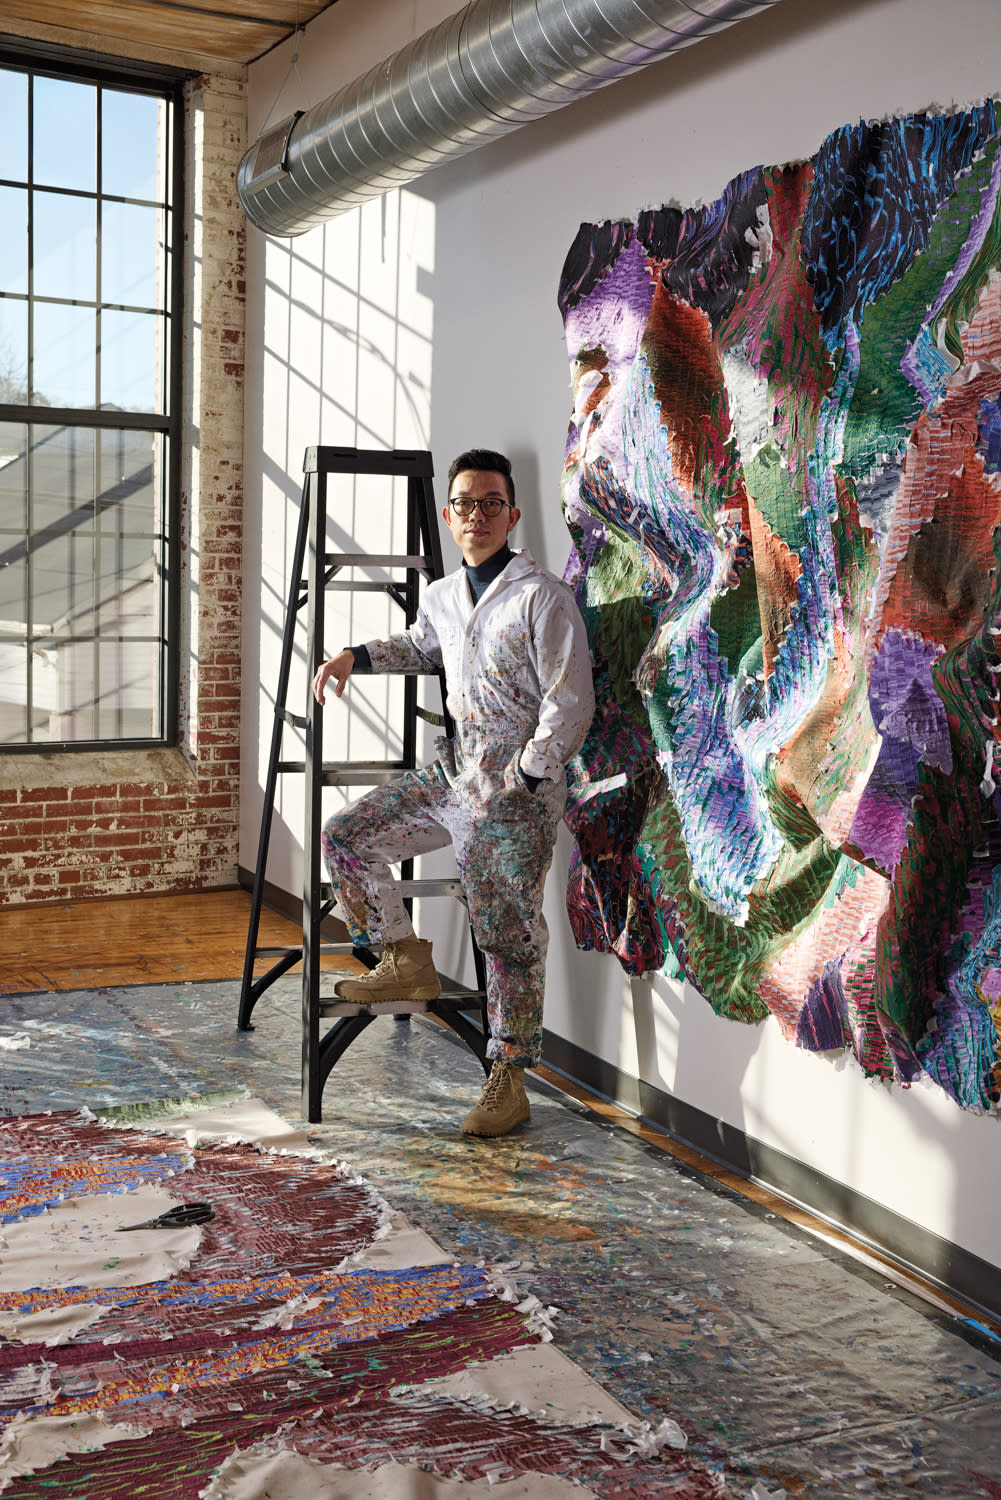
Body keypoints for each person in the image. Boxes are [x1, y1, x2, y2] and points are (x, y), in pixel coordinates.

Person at [311, 449, 595, 1137]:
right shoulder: (443, 594)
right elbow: (422, 644)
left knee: (506, 934)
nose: (477, 515)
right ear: (449, 514)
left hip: (513, 794)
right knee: (346, 836)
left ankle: (509, 1075)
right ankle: (404, 960)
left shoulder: (541, 597)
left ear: (512, 514)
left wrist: (529, 775)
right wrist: (355, 657)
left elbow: (571, 700)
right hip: (452, 774)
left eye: (491, 503)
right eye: (465, 503)